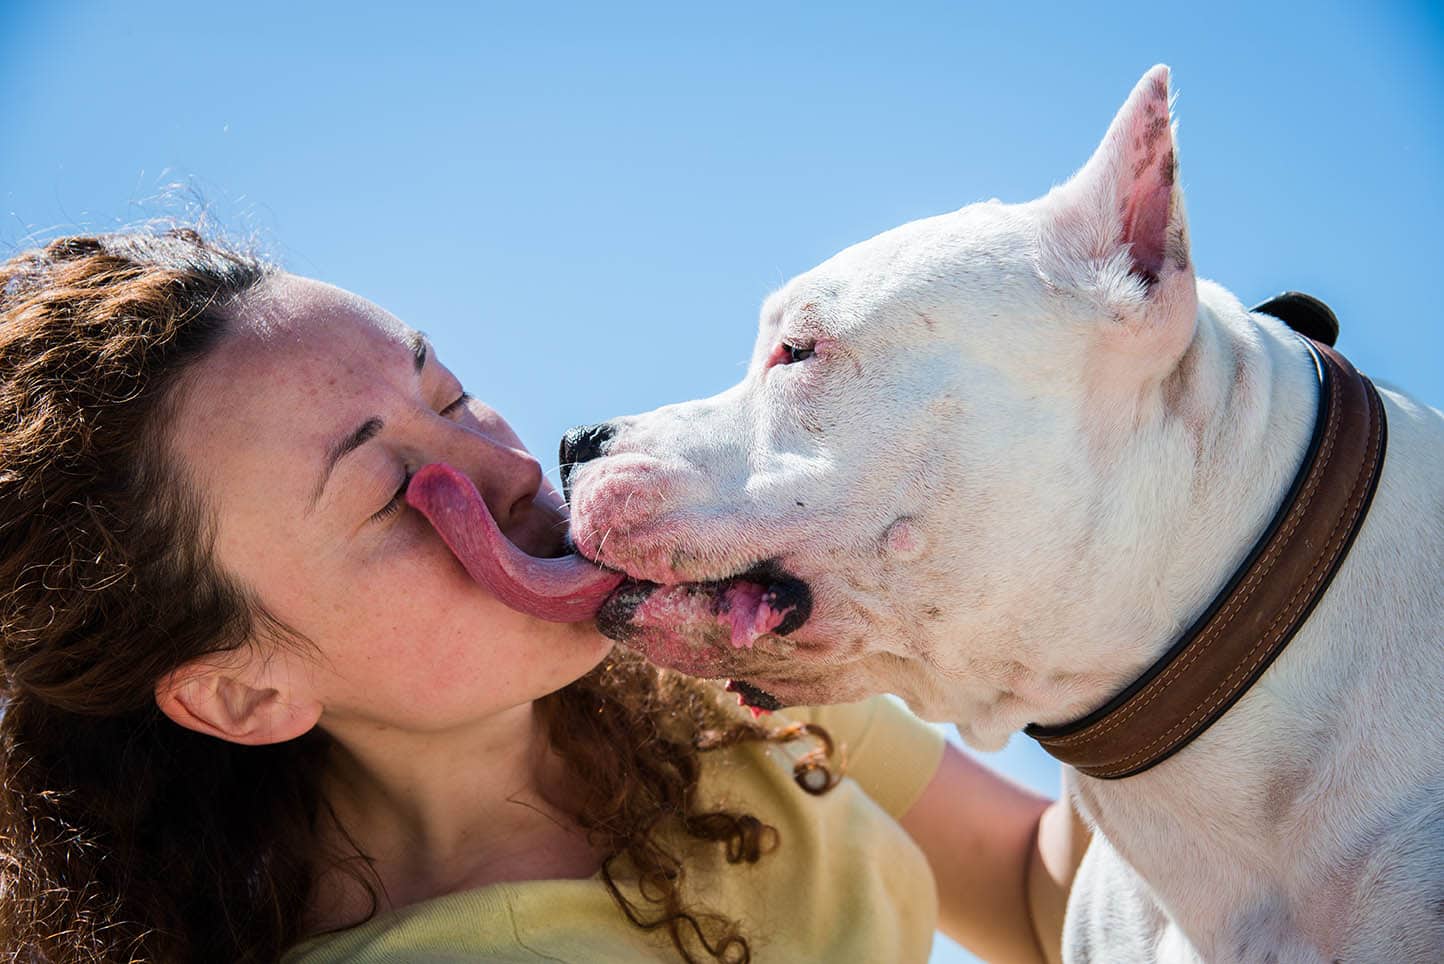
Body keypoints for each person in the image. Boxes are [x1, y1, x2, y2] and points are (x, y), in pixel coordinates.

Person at [0, 228, 1088, 964]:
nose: (507, 468)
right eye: (392, 496)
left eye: (449, 391)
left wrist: (1112, 624)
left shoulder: (710, 669)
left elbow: (1040, 899)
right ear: (244, 693)